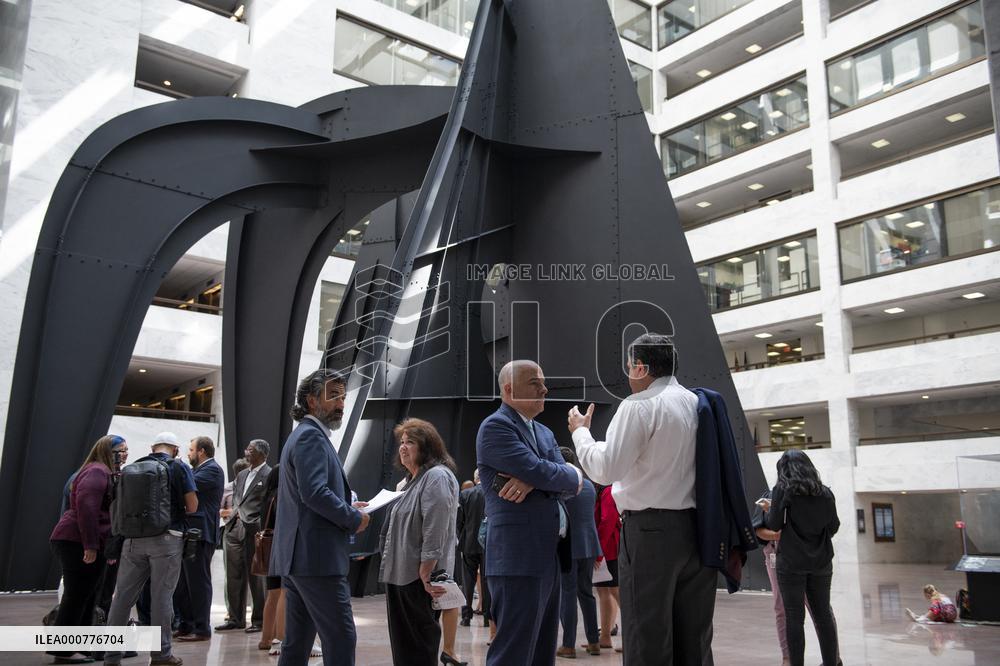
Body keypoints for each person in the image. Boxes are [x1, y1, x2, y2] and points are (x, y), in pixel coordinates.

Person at [570, 333, 714, 665]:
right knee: (693, 638)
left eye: (628, 365)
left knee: (646, 635)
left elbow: (606, 469)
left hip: (650, 533)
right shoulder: (696, 403)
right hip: (697, 530)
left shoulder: (640, 405)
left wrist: (580, 432)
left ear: (640, 366)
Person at [476, 360, 582, 666]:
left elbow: (560, 476)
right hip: (517, 558)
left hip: (548, 555)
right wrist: (552, 475)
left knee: (541, 654)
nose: (544, 389)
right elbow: (548, 472)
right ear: (509, 389)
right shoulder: (496, 427)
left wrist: (537, 479)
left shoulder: (545, 433)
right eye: (535, 383)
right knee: (513, 653)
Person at [272, 368, 370, 666]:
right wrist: (353, 519)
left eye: (343, 396)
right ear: (312, 400)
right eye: (334, 395)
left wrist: (348, 505)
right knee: (341, 637)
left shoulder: (304, 435)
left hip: (301, 558)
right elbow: (313, 493)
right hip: (317, 559)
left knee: (297, 642)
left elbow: (311, 494)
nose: (341, 403)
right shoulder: (310, 438)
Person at [103, 432, 198, 666]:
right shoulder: (179, 467)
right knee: (161, 599)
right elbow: (193, 506)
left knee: (122, 598)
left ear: (152, 447)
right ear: (175, 449)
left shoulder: (134, 466)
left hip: (132, 540)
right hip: (167, 540)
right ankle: (161, 655)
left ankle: (111, 656)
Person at [379, 418, 464, 666]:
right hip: (399, 574)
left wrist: (427, 568)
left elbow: (435, 525)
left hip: (419, 578)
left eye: (411, 442)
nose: (403, 447)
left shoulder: (436, 476)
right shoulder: (406, 483)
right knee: (404, 645)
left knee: (419, 643)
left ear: (427, 447)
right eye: (401, 442)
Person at [761, 449, 840, 666]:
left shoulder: (782, 491)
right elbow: (834, 526)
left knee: (794, 618)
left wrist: (770, 509)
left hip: (791, 563)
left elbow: (774, 525)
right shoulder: (825, 493)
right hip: (822, 563)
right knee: (823, 615)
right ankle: (831, 663)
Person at [47, 435, 119, 665]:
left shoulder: (102, 471)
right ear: (109, 451)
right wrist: (90, 546)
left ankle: (79, 647)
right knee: (76, 596)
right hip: (76, 541)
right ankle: (64, 651)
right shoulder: (97, 472)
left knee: (87, 595)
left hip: (84, 541)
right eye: (122, 450)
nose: (126, 454)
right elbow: (87, 510)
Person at [173, 436, 224, 642]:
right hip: (191, 532)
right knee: (184, 583)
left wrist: (176, 467)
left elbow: (187, 487)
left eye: (191, 450)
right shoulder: (199, 470)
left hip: (201, 533)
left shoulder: (212, 470)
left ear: (202, 451)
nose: (188, 453)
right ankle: (186, 624)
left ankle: (202, 628)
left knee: (198, 582)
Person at [217, 439, 271, 633]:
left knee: (256, 577)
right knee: (233, 575)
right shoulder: (241, 474)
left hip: (254, 530)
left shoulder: (269, 474)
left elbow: (268, 502)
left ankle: (258, 620)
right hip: (233, 527)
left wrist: (257, 522)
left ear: (262, 454)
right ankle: (235, 618)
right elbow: (238, 500)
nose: (246, 451)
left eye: (250, 449)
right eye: (247, 448)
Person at [556, 447, 602, 659]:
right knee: (586, 594)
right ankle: (594, 642)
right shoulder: (590, 486)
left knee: (567, 594)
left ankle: (568, 645)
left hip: (569, 546)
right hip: (589, 545)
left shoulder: (562, 484)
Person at [457, 469, 490, 630]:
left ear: (475, 478)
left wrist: (463, 535)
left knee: (467, 582)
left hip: (469, 543)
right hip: (488, 544)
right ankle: (487, 618)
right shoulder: (492, 493)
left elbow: (459, 520)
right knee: (486, 581)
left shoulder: (465, 494)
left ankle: (466, 617)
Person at [593, 483, 621, 651]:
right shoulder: (606, 490)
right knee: (604, 591)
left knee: (615, 591)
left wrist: (598, 552)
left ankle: (633, 635)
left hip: (608, 549)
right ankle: (605, 636)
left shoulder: (608, 491)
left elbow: (607, 521)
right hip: (606, 549)